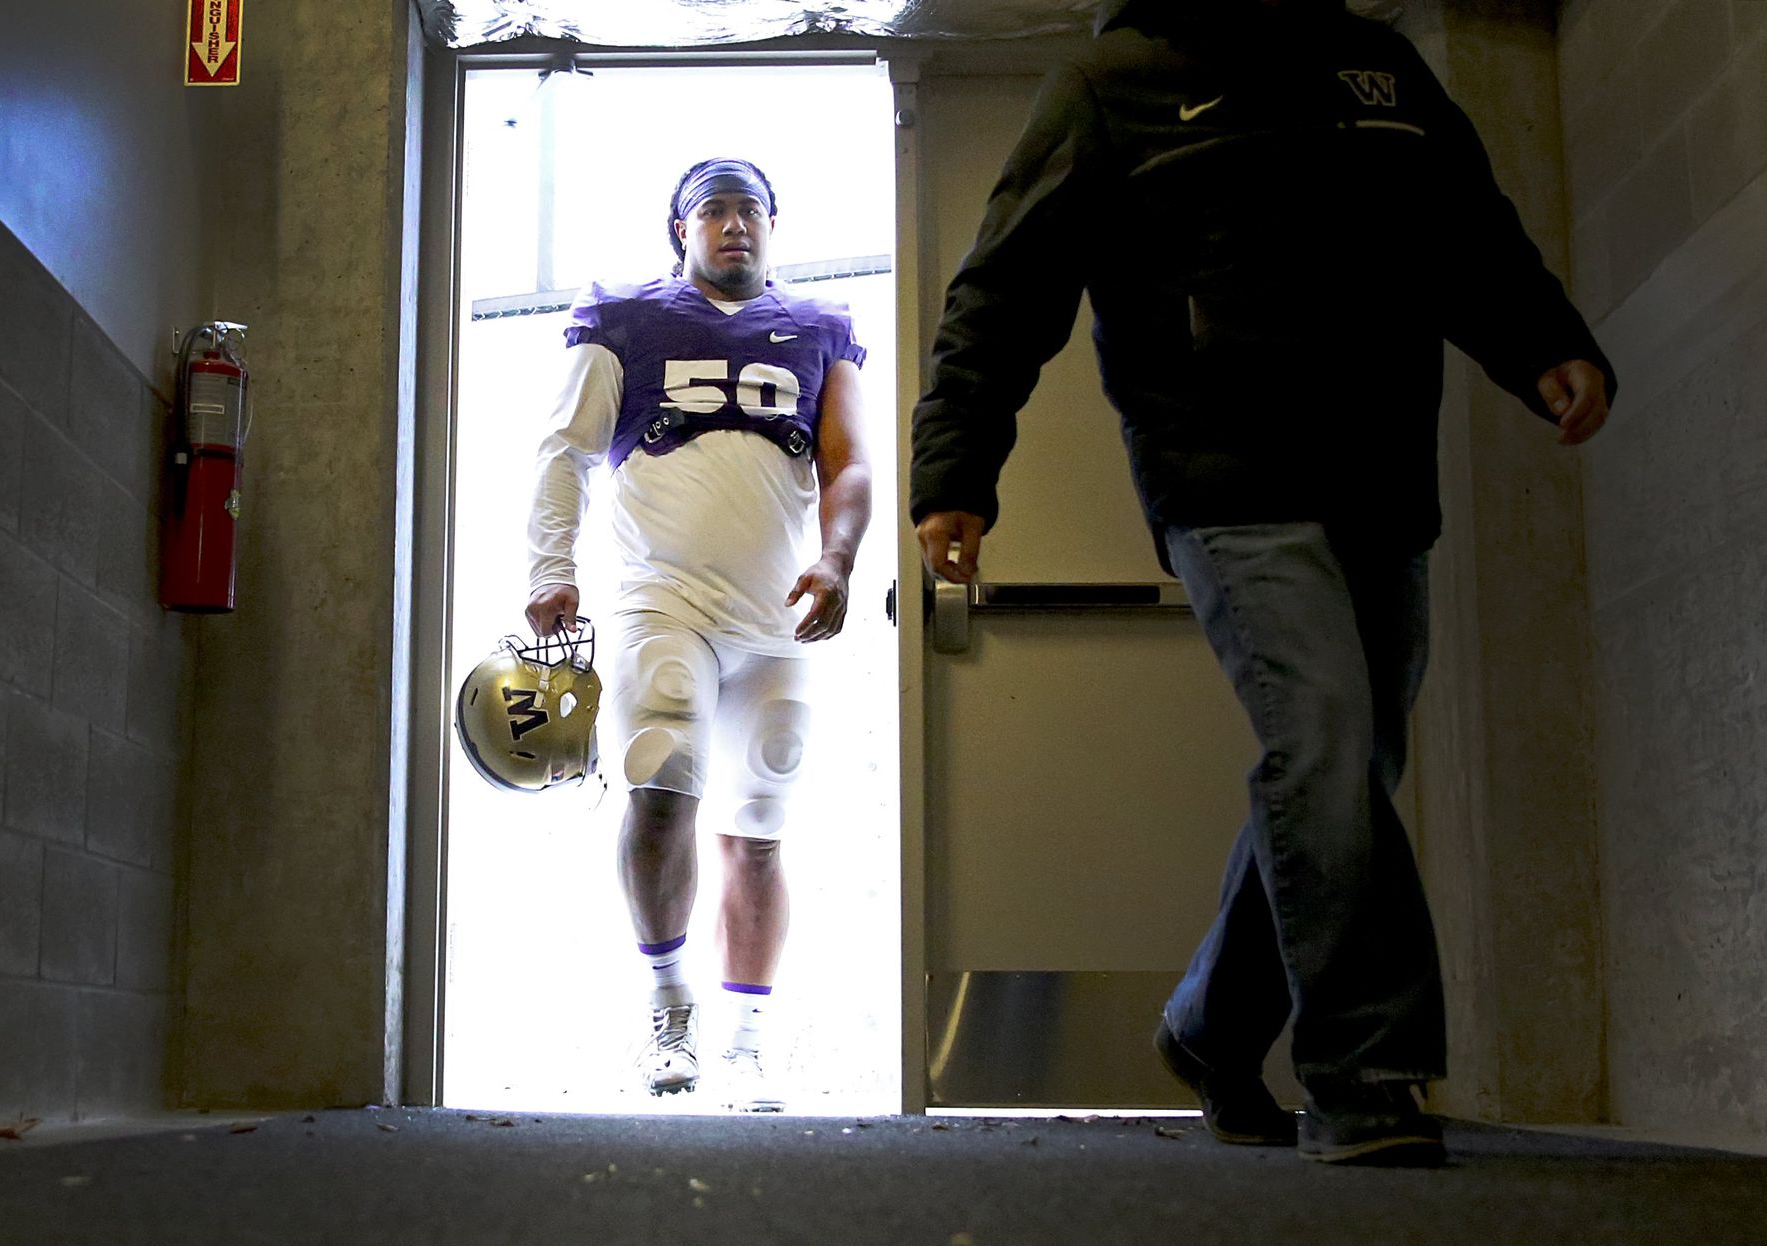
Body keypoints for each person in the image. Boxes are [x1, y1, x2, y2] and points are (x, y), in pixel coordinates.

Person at [909, 0, 1614, 1164]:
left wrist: (1545, 340)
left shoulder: (1376, 69)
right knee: (1327, 734)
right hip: (1223, 476)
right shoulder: (1110, 85)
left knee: (1348, 756)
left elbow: (1464, 229)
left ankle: (1212, 1025)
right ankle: (1365, 1068)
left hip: (1382, 474)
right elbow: (1003, 288)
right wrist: (957, 474)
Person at [524, 157, 872, 1110]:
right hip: (661, 598)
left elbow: (848, 466)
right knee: (662, 771)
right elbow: (566, 451)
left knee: (760, 823)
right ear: (680, 229)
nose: (733, 226)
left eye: (750, 210)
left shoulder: (818, 328)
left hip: (775, 614)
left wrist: (838, 560)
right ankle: (667, 1004)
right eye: (713, 211)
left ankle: (749, 1040)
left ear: (772, 226)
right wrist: (550, 570)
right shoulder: (627, 317)